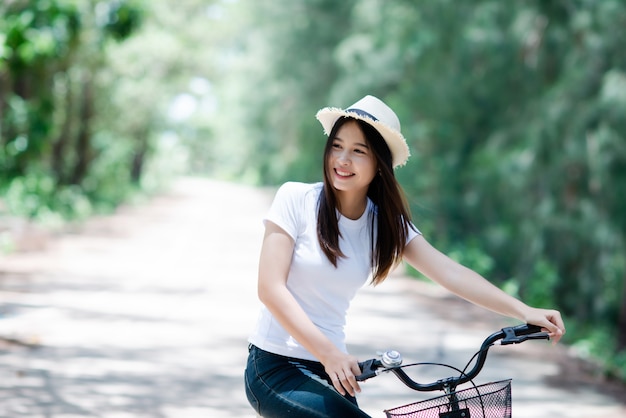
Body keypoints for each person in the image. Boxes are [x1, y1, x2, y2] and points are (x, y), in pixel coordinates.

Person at [244, 95, 565, 418]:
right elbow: (270, 289)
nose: (342, 160)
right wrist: (328, 354)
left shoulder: (384, 223)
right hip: (276, 365)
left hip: (335, 370)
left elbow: (451, 274)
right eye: (337, 146)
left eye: (358, 151)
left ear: (379, 165)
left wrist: (524, 310)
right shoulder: (296, 198)